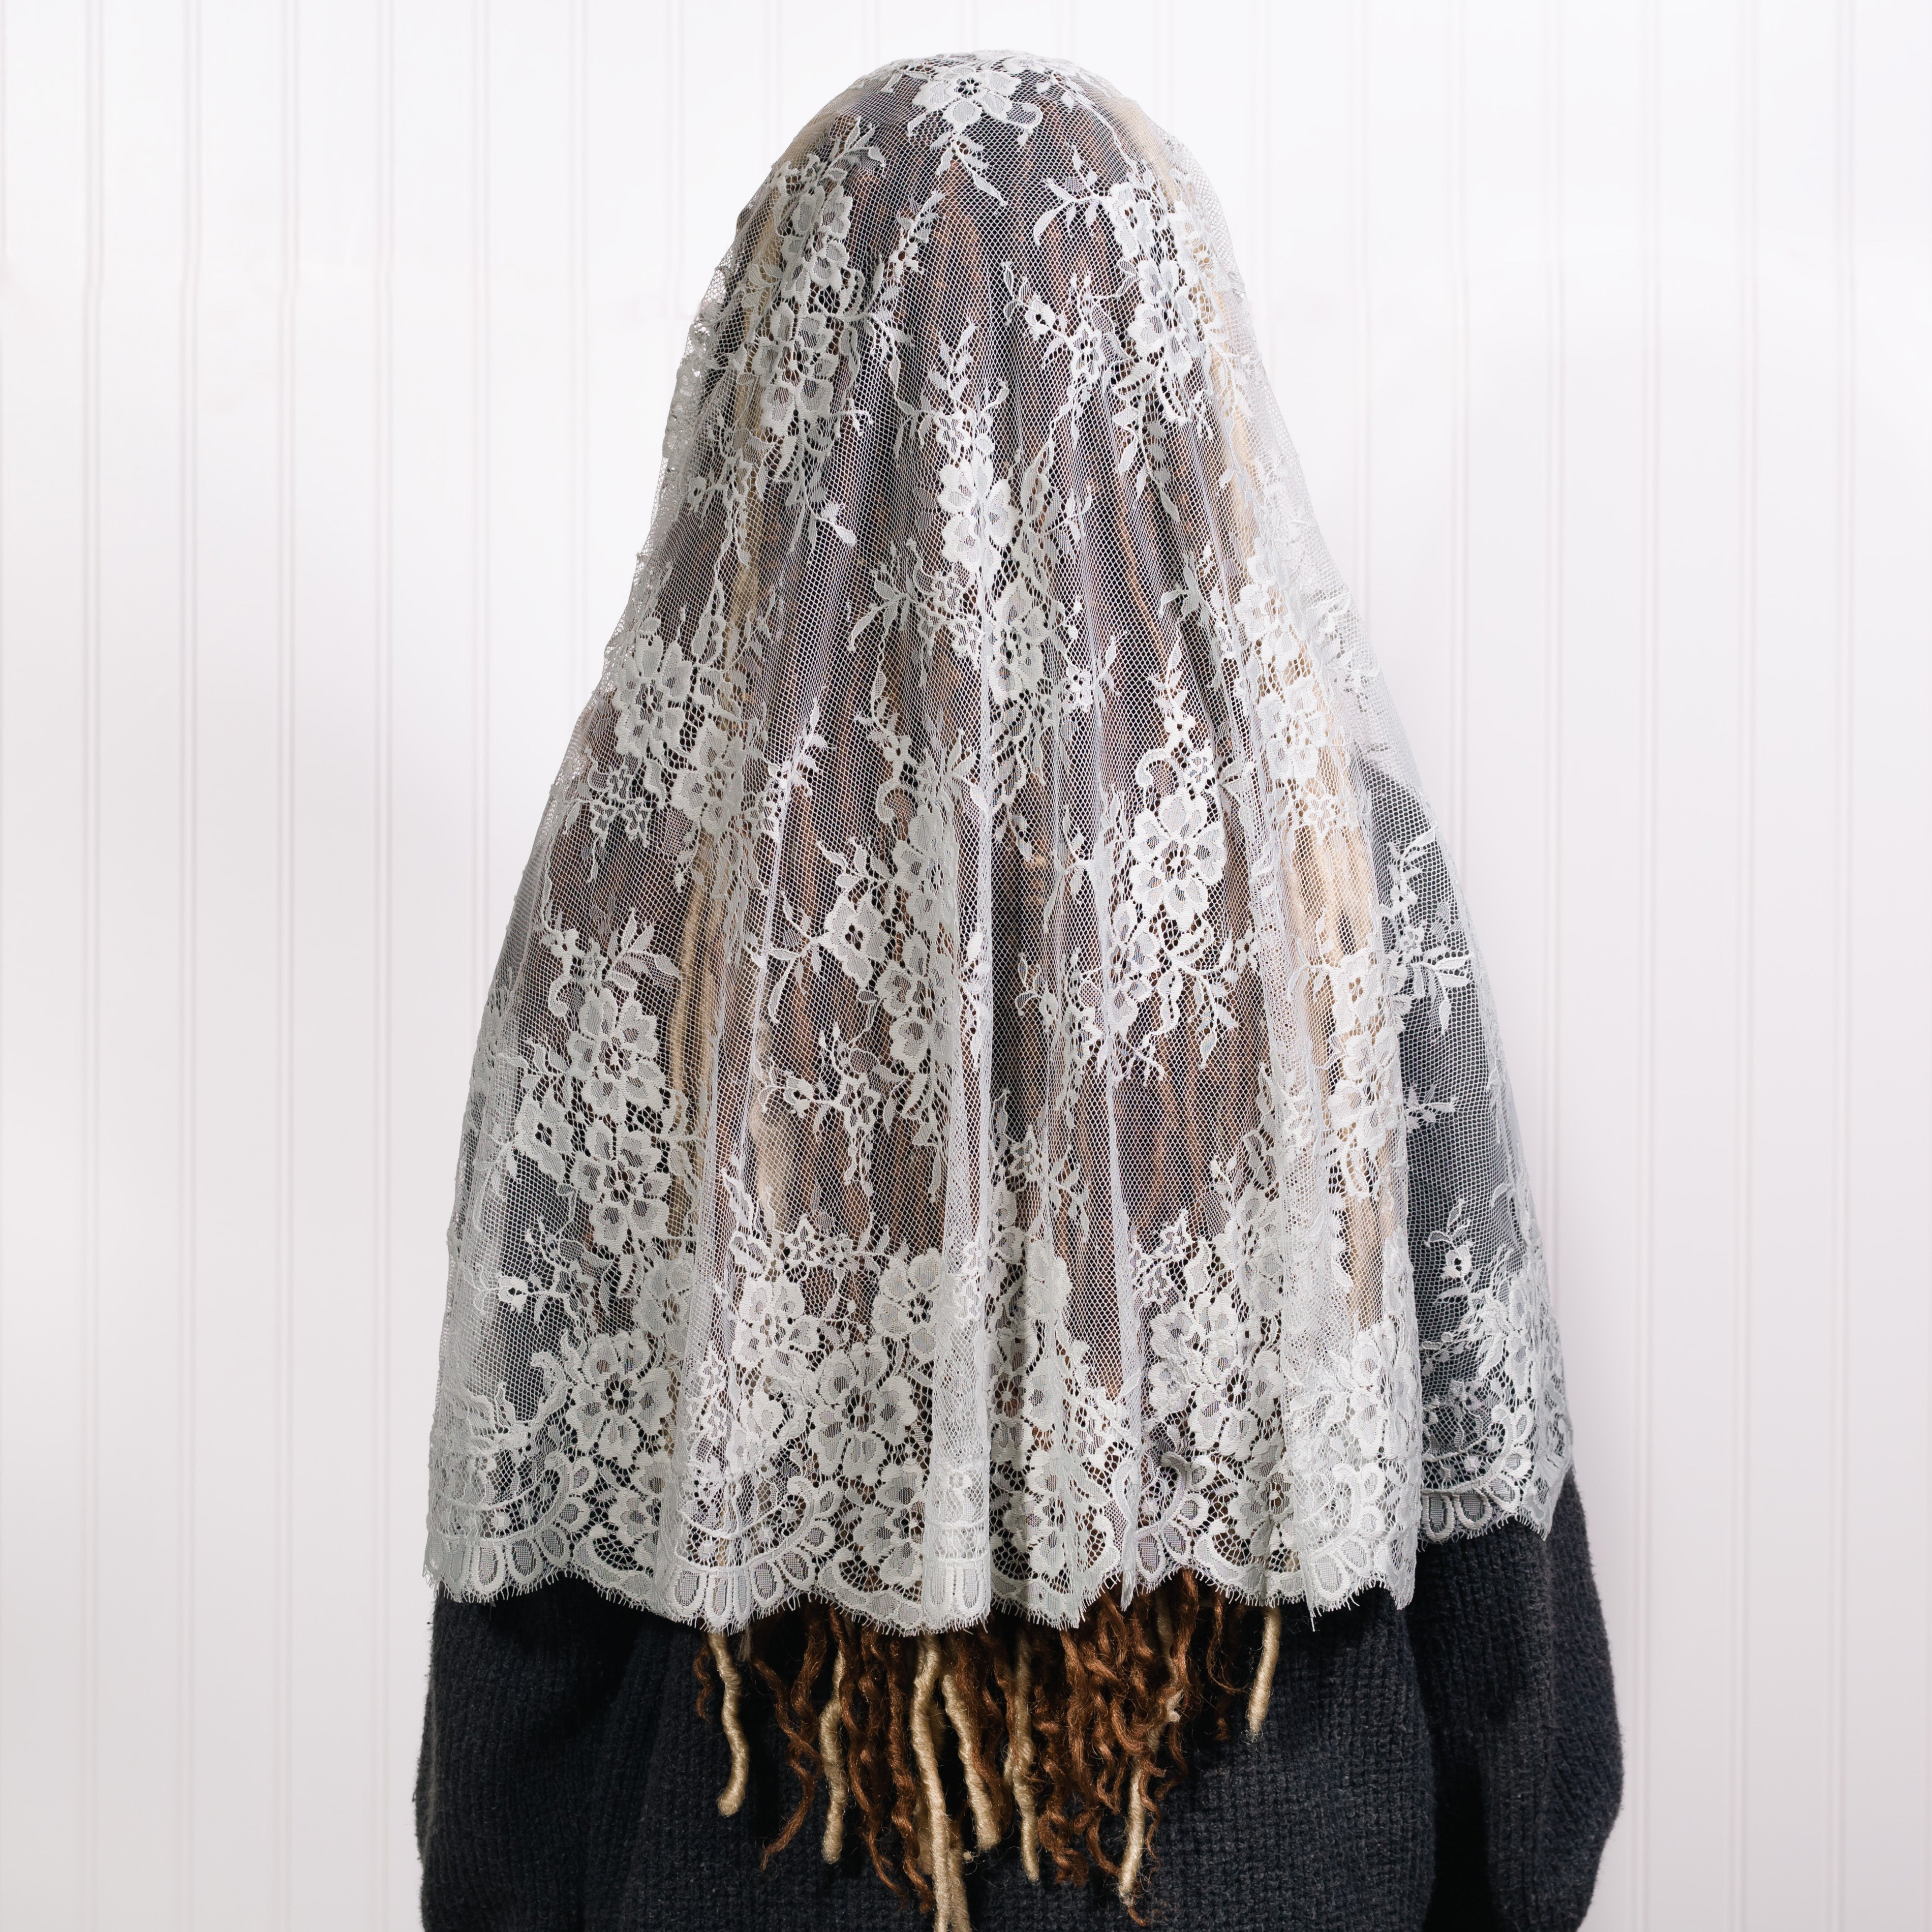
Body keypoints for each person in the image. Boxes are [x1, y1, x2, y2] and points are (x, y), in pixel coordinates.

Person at [415, 52, 1621, 1931]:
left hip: (756, 1856)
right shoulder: (1332, 861)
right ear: (1168, 394)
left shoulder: (647, 877)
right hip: (1265, 1863)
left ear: (779, 387)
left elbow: (531, 1583)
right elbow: (1490, 1532)